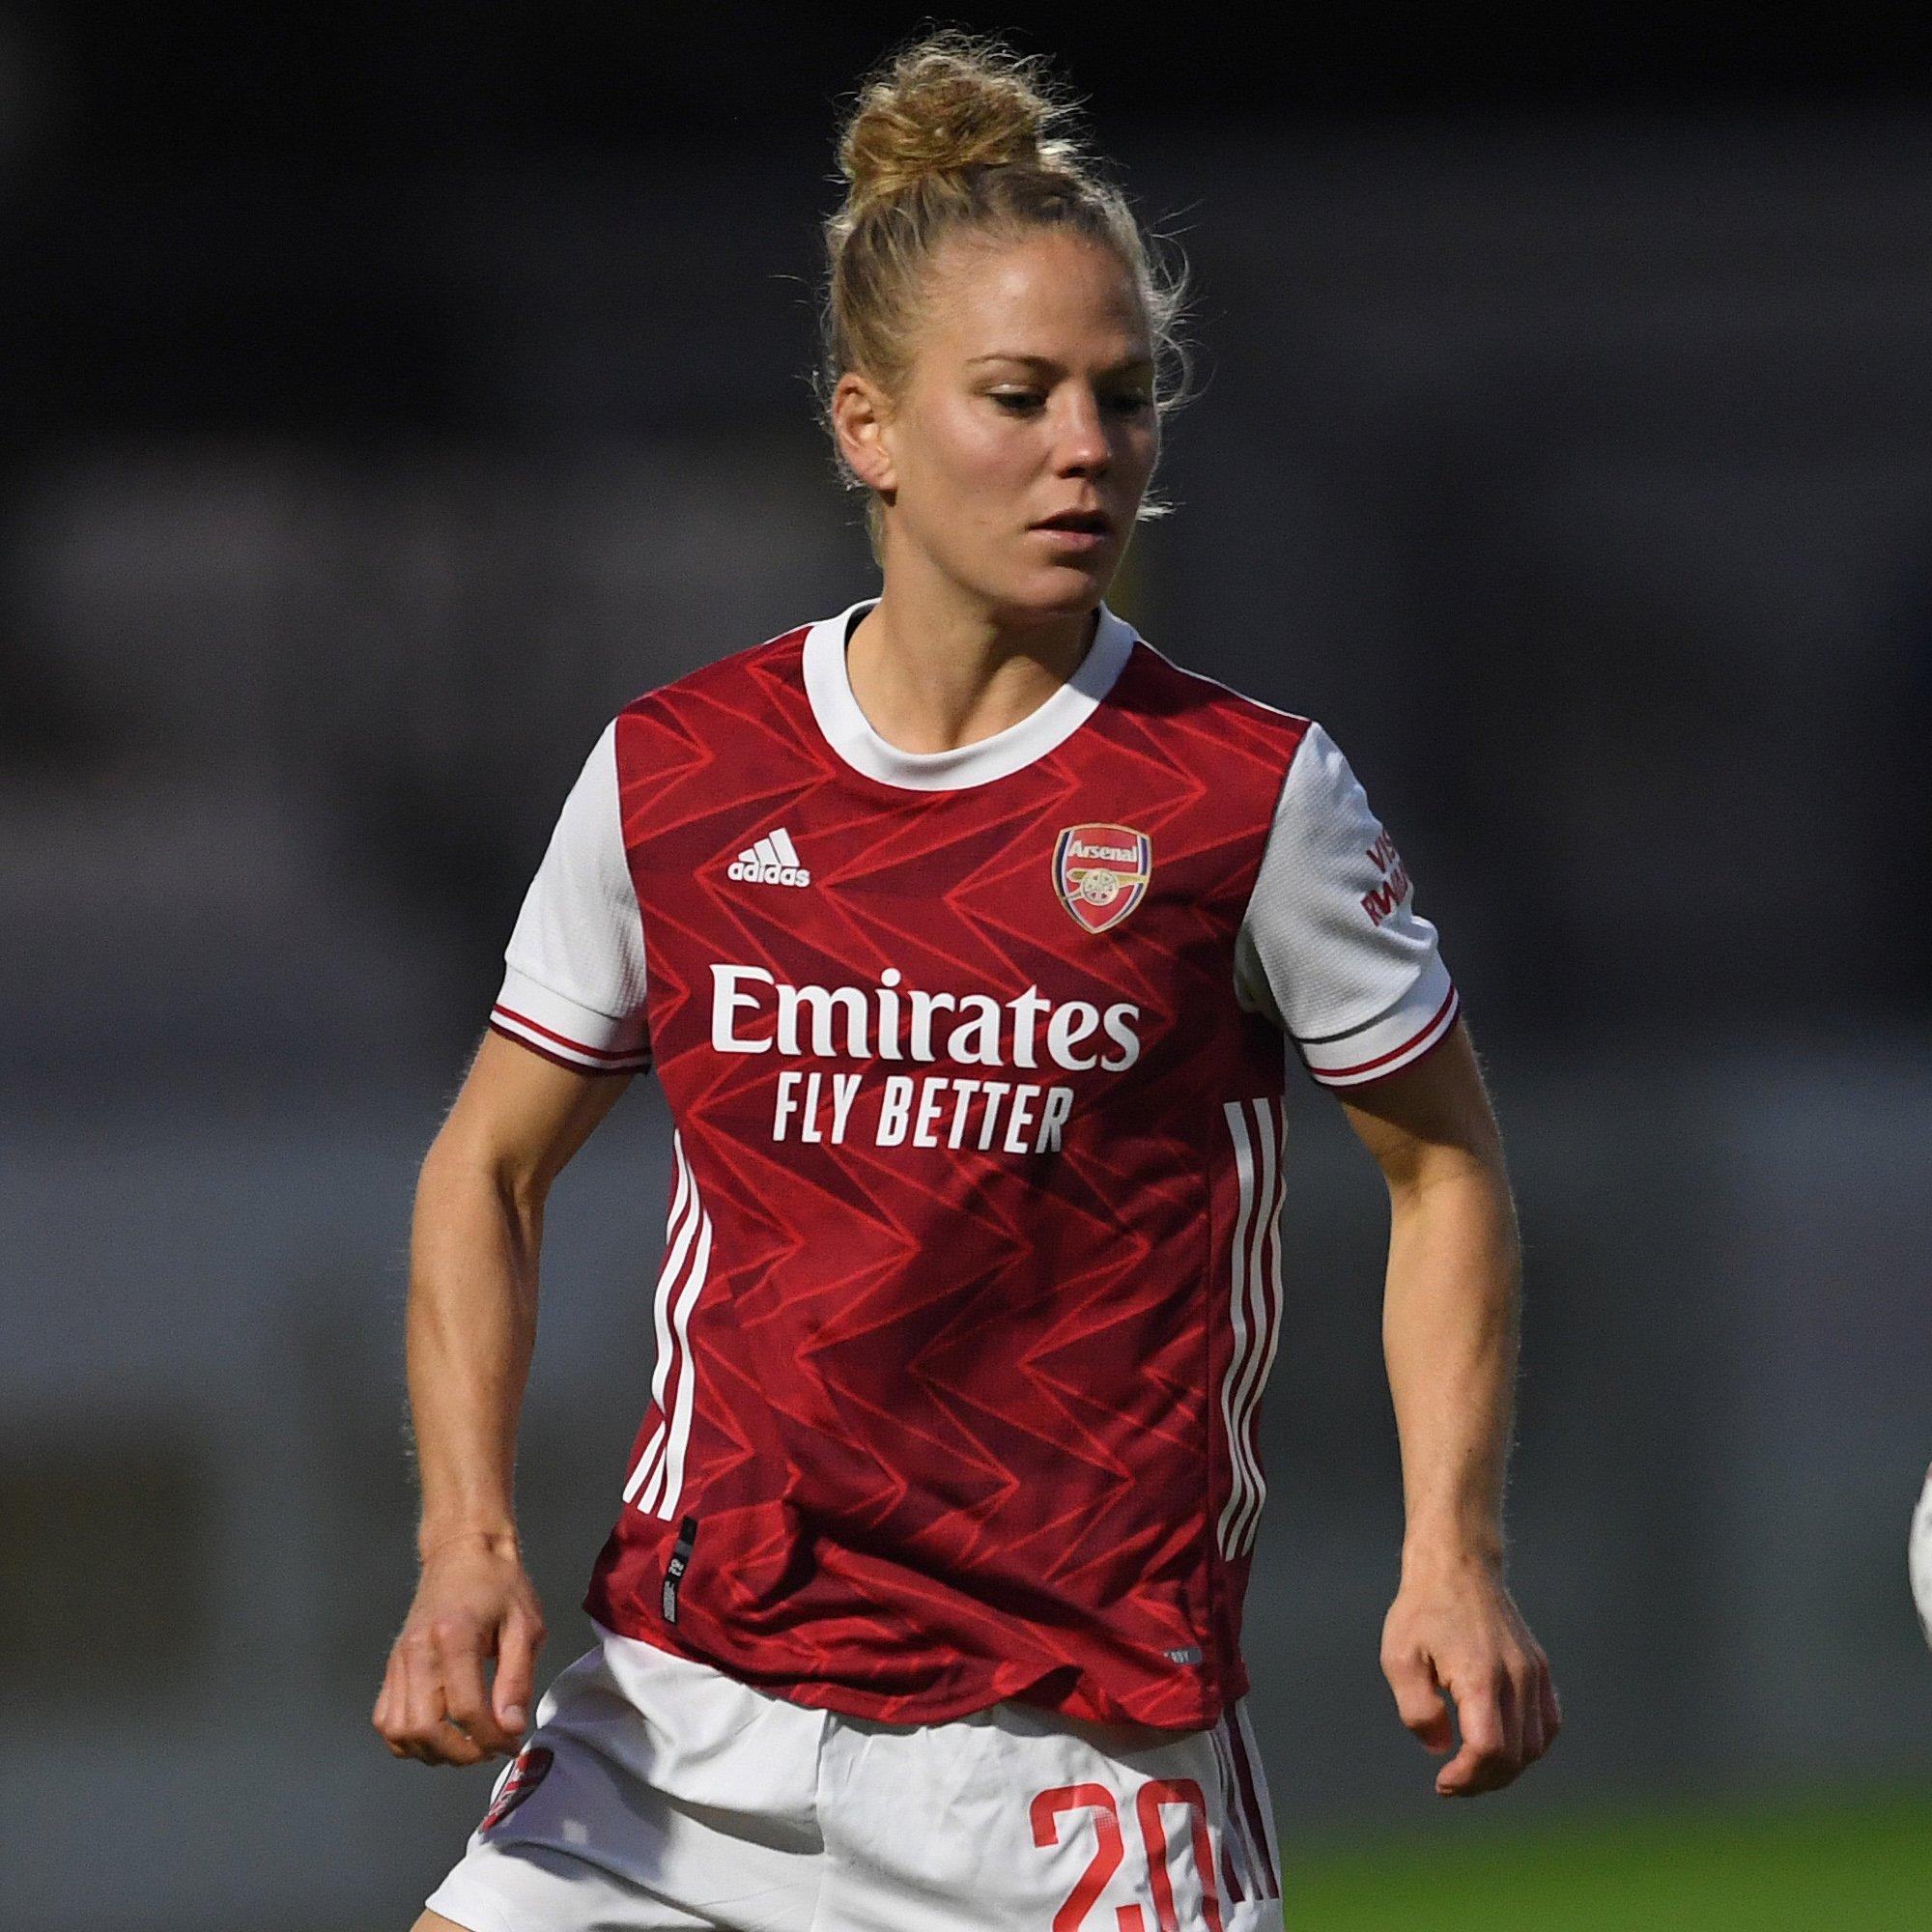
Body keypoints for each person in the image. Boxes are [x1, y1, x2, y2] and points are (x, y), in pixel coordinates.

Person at [375, 29, 1559, 1932]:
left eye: (1124, 397)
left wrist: (1452, 1549)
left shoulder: (1243, 794)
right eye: (1018, 396)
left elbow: (1443, 1169)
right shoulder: (676, 771)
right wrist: (466, 1541)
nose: (1086, 448)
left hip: (1073, 1770)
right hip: (677, 1731)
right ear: (866, 425)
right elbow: (485, 1170)